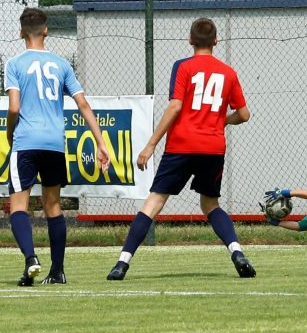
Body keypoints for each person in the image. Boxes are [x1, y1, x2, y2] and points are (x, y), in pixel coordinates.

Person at [107, 17, 255, 280]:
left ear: (190, 40)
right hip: (213, 147)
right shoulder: (228, 72)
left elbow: (175, 106)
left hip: (182, 144)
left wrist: (150, 144)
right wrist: (223, 120)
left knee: (154, 202)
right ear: (216, 41)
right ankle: (237, 252)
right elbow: (244, 114)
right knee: (211, 205)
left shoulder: (183, 67)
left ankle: (122, 263)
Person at [5, 7, 109, 286]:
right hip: (54, 144)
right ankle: (58, 271)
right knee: (53, 207)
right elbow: (83, 104)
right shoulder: (61, 65)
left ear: (20, 33)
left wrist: (9, 131)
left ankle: (30, 260)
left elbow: (14, 106)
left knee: (18, 206)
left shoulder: (14, 64)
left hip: (26, 142)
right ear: (46, 31)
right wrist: (100, 142)